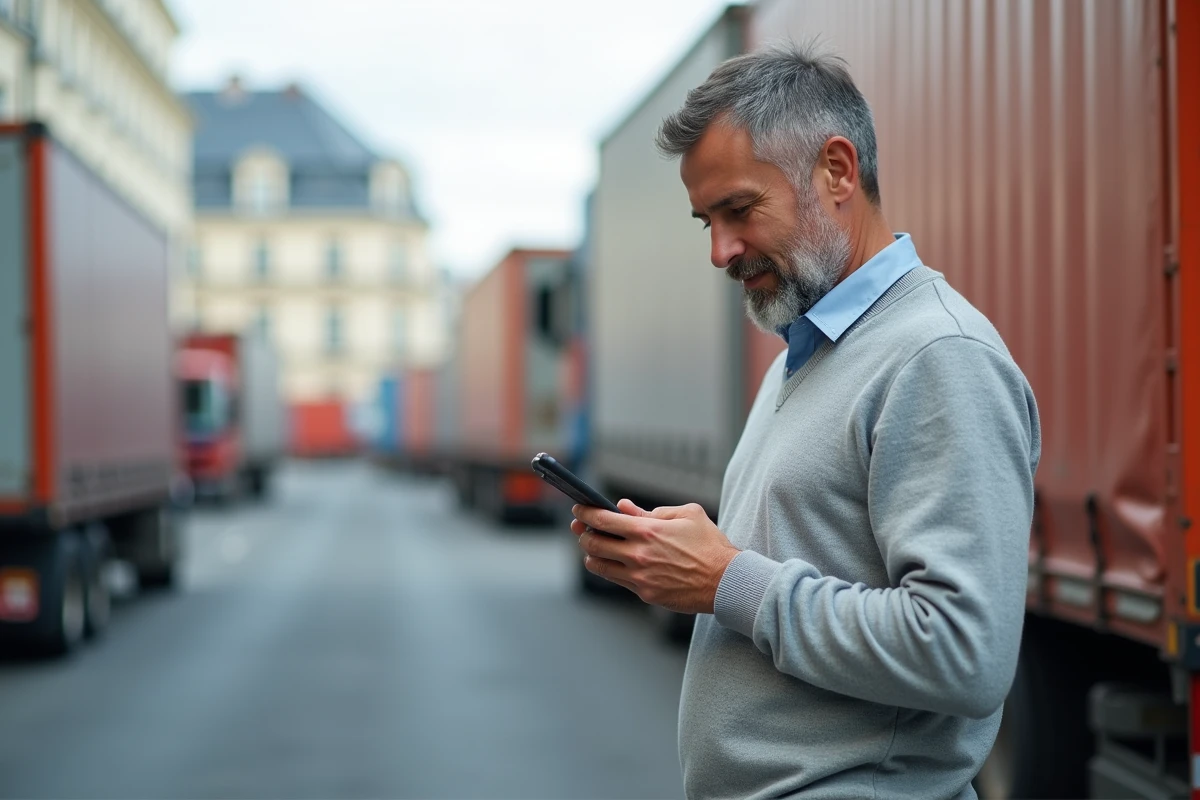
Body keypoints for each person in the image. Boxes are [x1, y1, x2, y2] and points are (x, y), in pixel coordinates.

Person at [570, 45, 1041, 800]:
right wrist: (683, 565)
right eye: (705, 222)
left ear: (838, 171)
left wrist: (727, 579)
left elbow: (964, 653)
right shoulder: (805, 354)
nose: (721, 251)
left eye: (740, 210)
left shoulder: (938, 357)